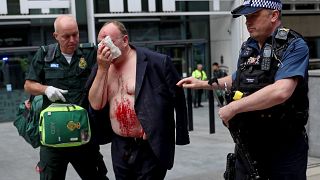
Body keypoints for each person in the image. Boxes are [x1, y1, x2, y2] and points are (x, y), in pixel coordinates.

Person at [177, 0, 309, 179]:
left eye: (254, 15)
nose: (248, 21)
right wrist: (202, 83)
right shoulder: (249, 46)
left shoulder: (294, 45)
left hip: (283, 144)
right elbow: (237, 79)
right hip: (248, 143)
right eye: (246, 17)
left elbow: (281, 91)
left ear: (274, 15)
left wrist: (232, 108)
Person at [88, 20, 190, 180]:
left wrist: (178, 133)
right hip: (120, 144)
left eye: (109, 41)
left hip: (148, 145)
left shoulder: (157, 62)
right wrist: (102, 69)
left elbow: (178, 98)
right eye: (101, 43)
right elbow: (95, 104)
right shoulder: (102, 66)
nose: (104, 48)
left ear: (125, 40)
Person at [24, 15, 108, 180]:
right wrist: (45, 89)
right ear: (56, 36)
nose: (72, 40)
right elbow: (28, 85)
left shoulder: (90, 53)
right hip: (53, 137)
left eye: (75, 34)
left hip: (83, 135)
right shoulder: (45, 54)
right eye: (66, 36)